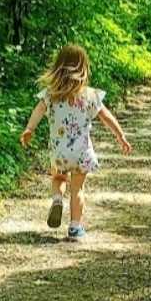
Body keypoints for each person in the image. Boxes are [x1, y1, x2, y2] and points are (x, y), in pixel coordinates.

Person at [20, 44, 130, 240]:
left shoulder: (50, 94)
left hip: (60, 152)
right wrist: (120, 135)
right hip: (81, 152)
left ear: (58, 68)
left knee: (59, 179)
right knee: (78, 189)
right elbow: (105, 116)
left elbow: (38, 111)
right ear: (83, 69)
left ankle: (56, 199)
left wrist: (29, 129)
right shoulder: (89, 95)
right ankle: (75, 228)